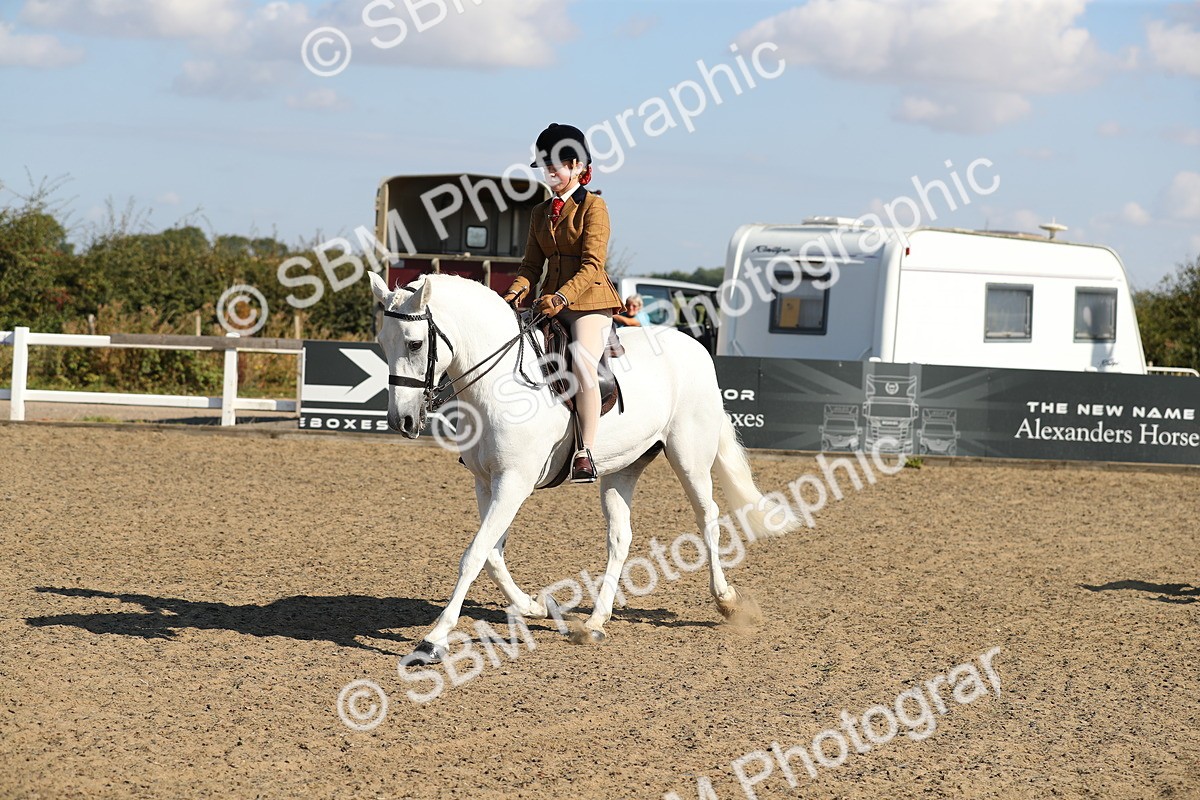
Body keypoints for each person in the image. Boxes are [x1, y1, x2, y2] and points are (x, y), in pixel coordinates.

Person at [502, 123, 624, 483]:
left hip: (589, 303)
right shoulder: (540, 212)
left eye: (556, 164)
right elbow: (530, 265)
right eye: (545, 165)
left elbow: (592, 265)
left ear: (576, 166)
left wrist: (561, 297)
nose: (549, 172)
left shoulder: (594, 207)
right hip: (549, 302)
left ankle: (585, 451)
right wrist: (515, 291)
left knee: (584, 366)